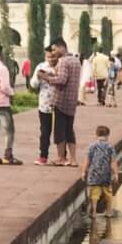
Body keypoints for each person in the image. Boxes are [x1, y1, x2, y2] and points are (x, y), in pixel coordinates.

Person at [47, 37, 82, 166]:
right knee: (69, 130)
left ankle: (61, 158)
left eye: (54, 49)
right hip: (72, 100)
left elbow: (62, 80)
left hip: (61, 100)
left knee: (60, 131)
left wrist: (47, 77)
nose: (54, 52)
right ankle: (73, 159)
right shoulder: (76, 60)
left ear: (61, 47)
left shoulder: (63, 61)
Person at [82, 123, 119, 218]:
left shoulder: (92, 146)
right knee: (108, 193)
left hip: (94, 174)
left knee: (94, 194)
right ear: (107, 135)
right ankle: (109, 211)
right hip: (106, 174)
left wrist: (83, 171)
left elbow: (87, 160)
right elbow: (113, 161)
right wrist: (116, 173)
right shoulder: (110, 147)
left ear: (96, 134)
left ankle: (94, 212)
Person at [33, 56, 56, 164]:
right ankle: (43, 156)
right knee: (45, 131)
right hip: (44, 104)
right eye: (49, 56)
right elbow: (33, 84)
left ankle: (63, 156)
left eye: (53, 56)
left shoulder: (61, 67)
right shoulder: (41, 67)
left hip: (58, 104)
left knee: (60, 131)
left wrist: (48, 76)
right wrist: (38, 77)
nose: (51, 58)